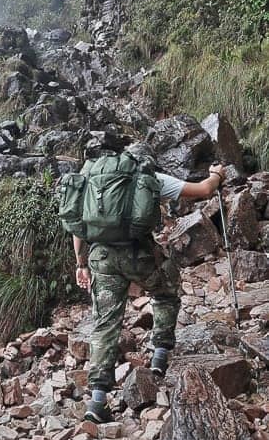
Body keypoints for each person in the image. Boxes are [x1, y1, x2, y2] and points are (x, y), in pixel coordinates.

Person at [73, 150, 226, 423]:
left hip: (101, 258)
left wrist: (80, 263)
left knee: (105, 323)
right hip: (139, 255)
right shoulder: (148, 177)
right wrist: (216, 175)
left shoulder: (91, 180)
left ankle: (97, 402)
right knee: (166, 292)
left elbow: (78, 226)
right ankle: (160, 355)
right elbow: (203, 190)